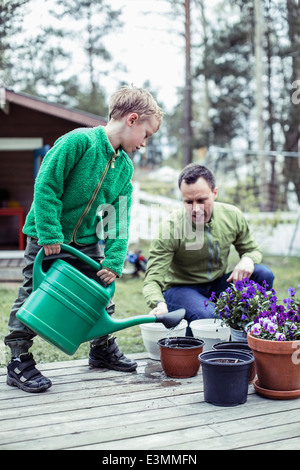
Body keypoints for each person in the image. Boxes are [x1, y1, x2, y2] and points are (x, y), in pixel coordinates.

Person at [5, 85, 163, 393]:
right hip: (47, 238)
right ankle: (18, 358)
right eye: (147, 134)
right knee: (32, 294)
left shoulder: (124, 168)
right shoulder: (79, 142)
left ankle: (101, 348)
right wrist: (50, 233)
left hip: (86, 241)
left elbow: (117, 218)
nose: (145, 144)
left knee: (101, 291)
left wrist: (115, 259)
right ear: (132, 119)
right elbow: (47, 184)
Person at [143, 163, 274, 333]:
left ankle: (254, 331)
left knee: (263, 274)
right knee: (210, 317)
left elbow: (252, 249)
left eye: (201, 200)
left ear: (214, 193)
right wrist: (158, 303)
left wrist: (248, 259)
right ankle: (191, 331)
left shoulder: (232, 215)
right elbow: (152, 280)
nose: (196, 208)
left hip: (219, 285)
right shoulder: (171, 227)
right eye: (188, 202)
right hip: (181, 289)